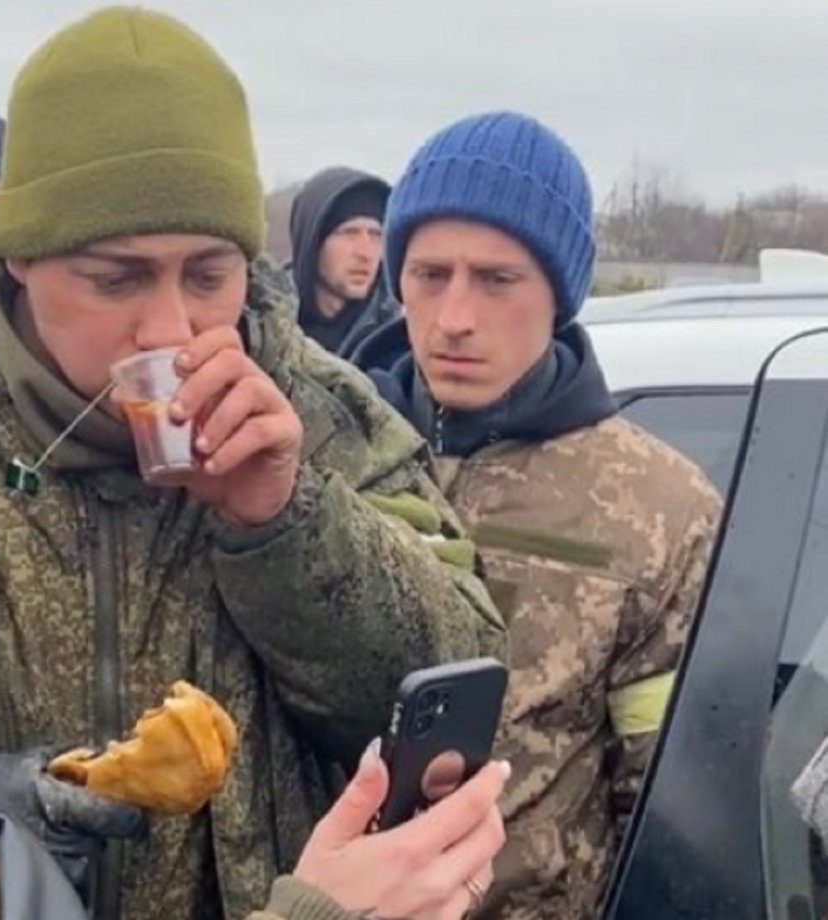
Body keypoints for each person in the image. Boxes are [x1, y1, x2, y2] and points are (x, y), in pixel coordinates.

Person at [0, 27, 510, 920]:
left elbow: (455, 691)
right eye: (116, 279)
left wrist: (285, 521)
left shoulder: (315, 410)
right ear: (22, 263)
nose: (169, 327)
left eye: (209, 273)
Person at [353, 111, 722, 919]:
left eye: (497, 279)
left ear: (558, 293)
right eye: (429, 274)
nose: (454, 317)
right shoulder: (325, 459)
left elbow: (664, 799)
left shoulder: (657, 509)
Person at [288, 166, 399, 358]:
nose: (366, 253)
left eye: (376, 235)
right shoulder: (262, 327)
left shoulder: (395, 343)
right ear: (313, 242)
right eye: (349, 233)